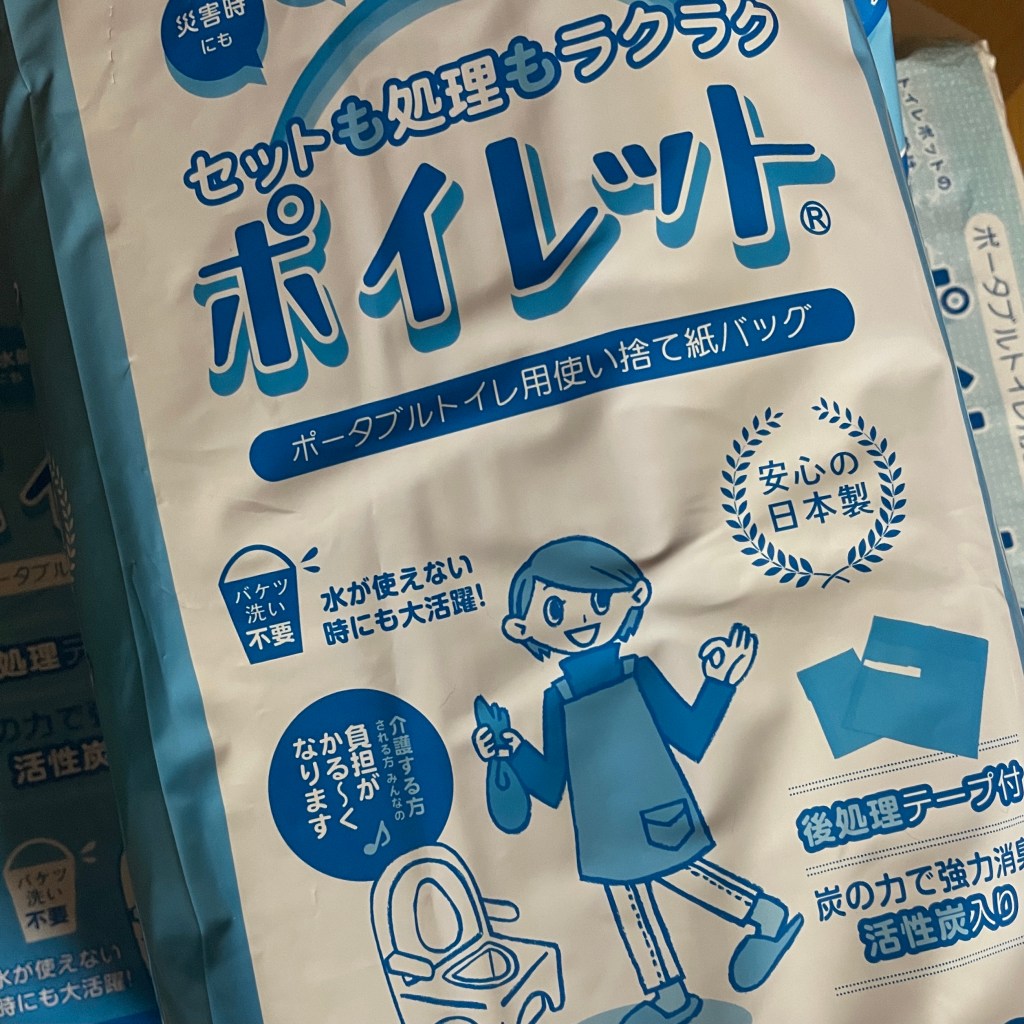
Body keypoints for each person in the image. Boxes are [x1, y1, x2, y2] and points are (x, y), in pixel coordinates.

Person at [473, 536, 802, 1024]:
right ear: (521, 627)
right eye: (556, 608)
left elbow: (691, 737)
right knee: (630, 907)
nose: (581, 618)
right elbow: (551, 784)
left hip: (656, 811)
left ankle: (769, 919)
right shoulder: (555, 698)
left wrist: (719, 684)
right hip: (602, 831)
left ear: (635, 597)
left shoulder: (638, 672)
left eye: (599, 601)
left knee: (690, 877)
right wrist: (511, 750)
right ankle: (670, 998)